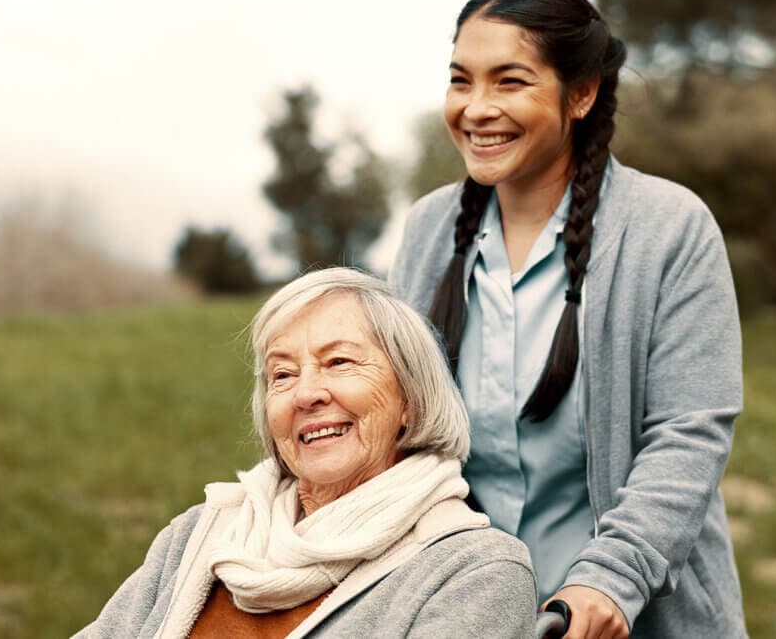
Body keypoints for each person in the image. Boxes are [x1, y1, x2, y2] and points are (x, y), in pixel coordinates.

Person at [389, 0, 746, 638]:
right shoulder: (429, 231)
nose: (476, 107)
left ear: (581, 93)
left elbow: (688, 435)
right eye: (461, 80)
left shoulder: (669, 227)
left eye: (510, 81)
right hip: (465, 612)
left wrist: (608, 578)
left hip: (628, 615)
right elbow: (396, 420)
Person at [75, 268, 537, 638]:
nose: (306, 394)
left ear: (411, 400)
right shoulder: (200, 533)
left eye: (339, 362)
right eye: (282, 375)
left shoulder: (474, 572)